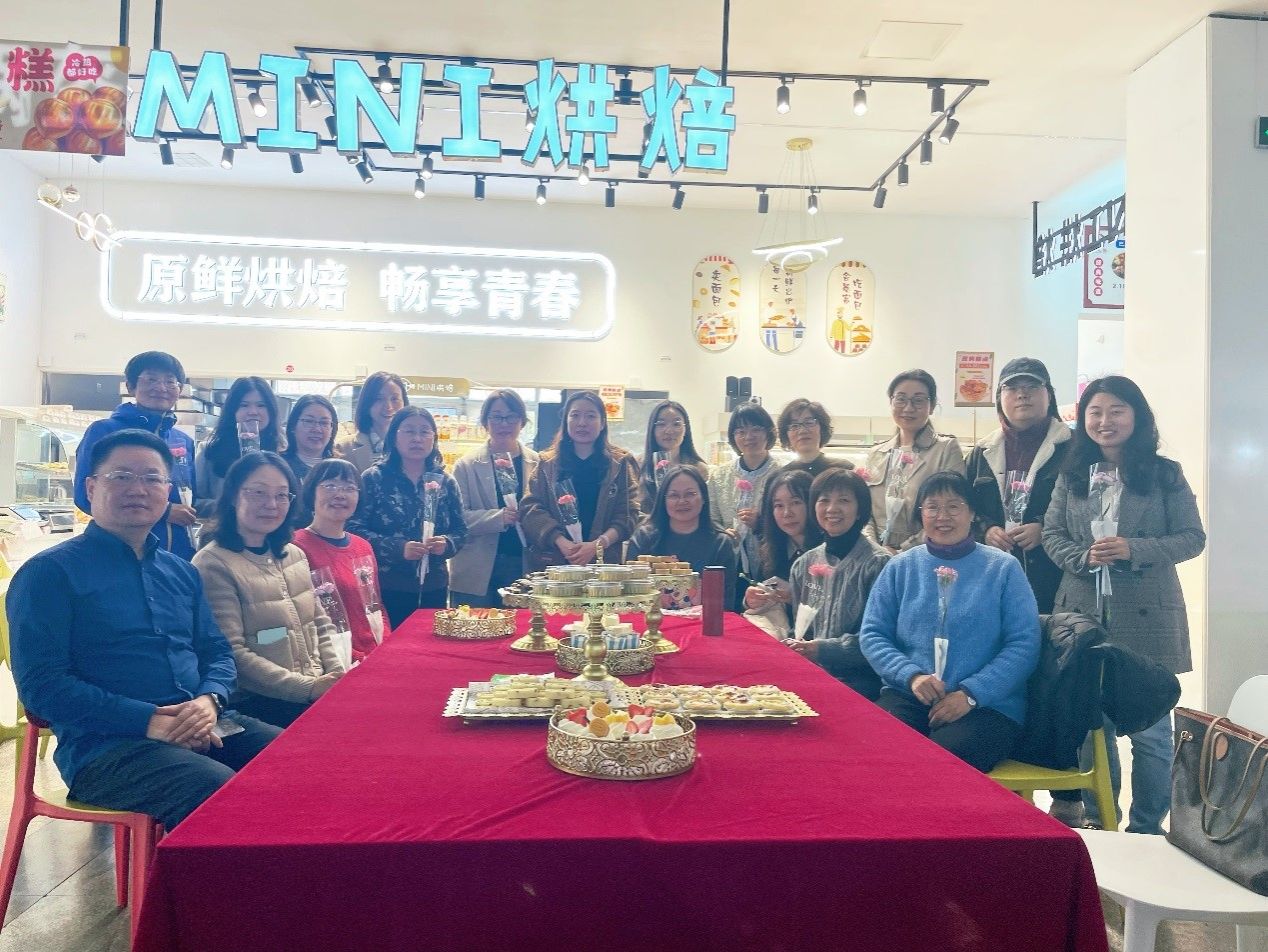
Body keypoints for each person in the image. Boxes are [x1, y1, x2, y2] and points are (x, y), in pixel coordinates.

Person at [9, 429, 281, 831]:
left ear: (167, 490)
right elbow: (42, 687)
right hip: (107, 746)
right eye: (121, 476)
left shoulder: (181, 572)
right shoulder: (48, 574)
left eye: (152, 478)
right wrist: (149, 720)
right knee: (216, 793)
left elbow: (217, 652)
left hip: (201, 719)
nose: (138, 489)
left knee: (299, 759)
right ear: (91, 487)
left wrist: (209, 701)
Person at [1042, 375, 1205, 833]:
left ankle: (1147, 827)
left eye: (1116, 410)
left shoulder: (1165, 474)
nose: (1104, 421)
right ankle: (1102, 822)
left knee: (1151, 733)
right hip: (1084, 613)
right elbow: (1052, 533)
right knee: (1093, 732)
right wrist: (1083, 557)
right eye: (1095, 412)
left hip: (1148, 615)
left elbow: (1192, 538)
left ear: (1137, 416)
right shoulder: (1072, 474)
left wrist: (1134, 549)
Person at [860, 471, 1041, 772]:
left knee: (941, 763)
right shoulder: (900, 566)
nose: (942, 516)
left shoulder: (1003, 568)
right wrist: (911, 676)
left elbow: (1024, 644)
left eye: (954, 506)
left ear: (972, 513)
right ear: (921, 514)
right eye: (932, 507)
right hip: (910, 695)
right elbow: (873, 634)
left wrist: (971, 694)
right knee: (876, 747)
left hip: (986, 705)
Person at [193, 452, 346, 727]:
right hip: (260, 702)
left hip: (314, 689)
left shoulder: (294, 554)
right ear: (233, 496)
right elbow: (232, 652)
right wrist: (308, 688)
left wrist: (335, 675)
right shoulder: (213, 563)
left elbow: (320, 623)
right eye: (258, 493)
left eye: (281, 495)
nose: (271, 504)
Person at [966, 358, 1070, 614]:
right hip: (991, 577)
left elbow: (1091, 508)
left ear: (1049, 395)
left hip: (1055, 578)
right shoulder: (980, 453)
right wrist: (986, 530)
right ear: (999, 398)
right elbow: (964, 506)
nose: (1022, 394)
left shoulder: (1073, 448)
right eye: (1012, 388)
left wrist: (1046, 529)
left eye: (1032, 386)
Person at [348, 406, 467, 626]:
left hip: (434, 586)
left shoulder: (446, 481)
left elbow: (461, 530)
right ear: (394, 437)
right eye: (409, 431)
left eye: (424, 432)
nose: (417, 439)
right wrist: (397, 548)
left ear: (434, 438)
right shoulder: (374, 478)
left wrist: (447, 543)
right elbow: (353, 529)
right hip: (386, 585)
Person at [73, 351, 198, 559]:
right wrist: (165, 511)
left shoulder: (183, 441)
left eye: (170, 381)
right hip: (119, 553)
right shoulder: (104, 431)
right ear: (131, 386)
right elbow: (85, 497)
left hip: (177, 556)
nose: (161, 388)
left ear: (180, 390)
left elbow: (193, 499)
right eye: (151, 379)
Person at [787, 468, 890, 699]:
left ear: (860, 509)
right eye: (824, 500)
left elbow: (878, 639)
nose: (832, 509)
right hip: (811, 673)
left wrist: (822, 650)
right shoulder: (803, 564)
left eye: (844, 500)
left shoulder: (878, 564)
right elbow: (800, 629)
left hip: (860, 681)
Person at [521, 390, 640, 571]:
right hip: (555, 563)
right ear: (565, 421)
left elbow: (629, 512)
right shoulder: (547, 464)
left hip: (605, 565)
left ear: (602, 423)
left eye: (591, 416)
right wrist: (561, 542)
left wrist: (597, 545)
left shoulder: (620, 463)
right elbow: (530, 509)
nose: (582, 423)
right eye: (575, 415)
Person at [293, 459, 392, 664]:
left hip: (374, 655)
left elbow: (376, 606)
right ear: (311, 492)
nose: (340, 495)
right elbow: (304, 620)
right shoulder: (296, 547)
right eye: (330, 486)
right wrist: (355, 658)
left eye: (349, 488)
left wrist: (385, 647)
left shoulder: (363, 546)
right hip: (332, 661)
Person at [450, 389, 539, 607]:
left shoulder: (538, 463)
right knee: (474, 624)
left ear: (522, 422)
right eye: (496, 417)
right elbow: (457, 519)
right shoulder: (466, 465)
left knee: (522, 626)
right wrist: (498, 518)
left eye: (511, 417)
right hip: (477, 567)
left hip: (524, 564)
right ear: (485, 422)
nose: (504, 424)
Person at [864, 369, 965, 552]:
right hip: (875, 556)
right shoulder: (876, 454)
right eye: (901, 399)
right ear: (891, 402)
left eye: (918, 400)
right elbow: (863, 511)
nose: (908, 408)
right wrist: (875, 550)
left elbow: (951, 511)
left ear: (931, 406)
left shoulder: (946, 449)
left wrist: (903, 551)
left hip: (925, 553)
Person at [627, 465, 738, 607]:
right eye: (674, 495)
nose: (682, 501)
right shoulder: (643, 538)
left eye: (690, 494)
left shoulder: (720, 543)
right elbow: (630, 595)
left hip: (702, 619)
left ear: (704, 497)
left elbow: (725, 603)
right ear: (663, 500)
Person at [708, 402, 781, 591]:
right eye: (741, 431)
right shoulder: (720, 475)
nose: (749, 437)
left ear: (768, 432)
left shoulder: (781, 474)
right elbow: (710, 517)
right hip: (728, 562)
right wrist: (722, 532)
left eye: (756, 429)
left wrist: (761, 524)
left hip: (771, 561)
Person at [741, 469, 820, 638]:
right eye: (778, 506)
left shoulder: (826, 551)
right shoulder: (772, 547)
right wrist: (751, 599)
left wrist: (795, 597)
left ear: (813, 504)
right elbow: (762, 587)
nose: (787, 513)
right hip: (778, 633)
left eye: (796, 502)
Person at [195, 376, 285, 520]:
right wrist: (228, 505)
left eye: (261, 405)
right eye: (244, 405)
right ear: (232, 411)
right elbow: (193, 501)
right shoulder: (210, 451)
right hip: (224, 528)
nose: (253, 411)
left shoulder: (283, 450)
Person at [637, 399, 710, 513]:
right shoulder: (637, 465)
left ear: (686, 429)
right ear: (652, 429)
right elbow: (630, 509)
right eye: (661, 424)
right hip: (646, 524)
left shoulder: (699, 469)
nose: (669, 431)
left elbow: (704, 510)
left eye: (676, 424)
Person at [334, 371, 408, 475]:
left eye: (395, 399)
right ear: (367, 403)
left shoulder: (415, 445)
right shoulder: (344, 448)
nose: (389, 407)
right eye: (379, 399)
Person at [776, 398, 848, 479]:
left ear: (822, 429)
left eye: (809, 423)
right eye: (794, 425)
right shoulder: (780, 477)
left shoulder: (843, 470)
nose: (802, 431)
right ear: (786, 434)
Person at [282, 394, 338, 482]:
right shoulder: (279, 466)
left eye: (324, 423)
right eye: (309, 421)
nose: (317, 429)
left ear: (332, 429)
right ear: (293, 426)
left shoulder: (340, 468)